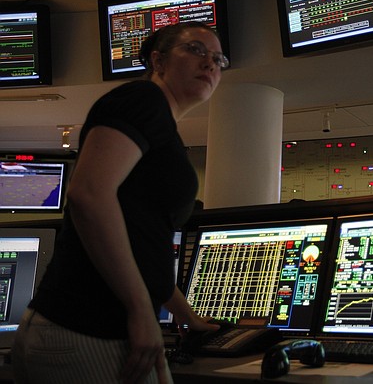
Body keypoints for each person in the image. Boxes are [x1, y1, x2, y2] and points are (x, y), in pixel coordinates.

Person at [12, 21, 228, 383]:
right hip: (85, 330)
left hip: (92, 329)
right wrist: (142, 309)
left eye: (218, 59)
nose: (210, 63)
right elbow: (89, 196)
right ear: (157, 61)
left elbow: (140, 237)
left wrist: (185, 314)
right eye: (195, 50)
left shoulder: (160, 122)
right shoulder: (142, 100)